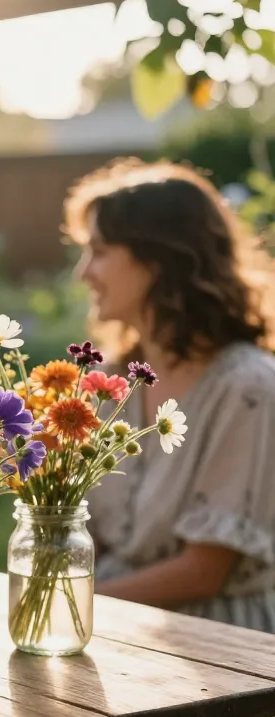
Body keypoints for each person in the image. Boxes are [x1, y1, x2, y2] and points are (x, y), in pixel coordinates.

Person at [67, 158, 275, 629]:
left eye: (98, 251)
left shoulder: (249, 389)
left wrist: (69, 604)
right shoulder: (109, 382)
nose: (84, 273)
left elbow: (203, 574)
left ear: (158, 260)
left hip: (217, 650)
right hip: (112, 628)